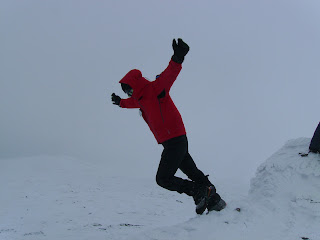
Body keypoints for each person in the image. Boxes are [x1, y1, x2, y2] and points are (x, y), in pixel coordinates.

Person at [111, 38, 226, 214]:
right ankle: (216, 201)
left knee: (163, 178)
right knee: (192, 171)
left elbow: (169, 74)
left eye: (128, 89)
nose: (128, 93)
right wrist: (120, 103)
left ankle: (198, 191)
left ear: (135, 84)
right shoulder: (139, 100)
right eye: (126, 91)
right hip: (172, 141)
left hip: (175, 139)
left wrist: (177, 57)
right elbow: (131, 103)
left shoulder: (156, 89)